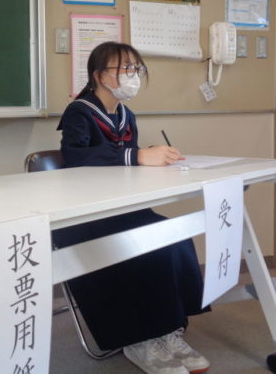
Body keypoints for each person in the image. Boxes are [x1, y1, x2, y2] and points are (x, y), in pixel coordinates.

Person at [53, 42, 210, 374]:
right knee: (141, 249)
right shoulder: (79, 111)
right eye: (124, 68)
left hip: (120, 209)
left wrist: (152, 158)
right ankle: (139, 339)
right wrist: (136, 156)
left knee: (174, 237)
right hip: (85, 215)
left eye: (136, 68)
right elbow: (76, 157)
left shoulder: (126, 115)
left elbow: (128, 164)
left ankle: (167, 329)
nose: (132, 75)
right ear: (99, 76)